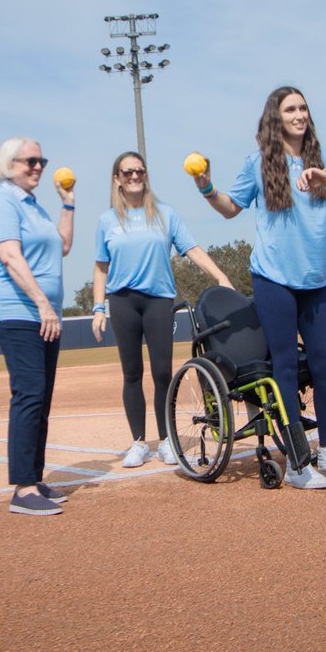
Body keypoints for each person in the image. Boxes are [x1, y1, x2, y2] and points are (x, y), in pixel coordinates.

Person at [192, 86, 326, 489]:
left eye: (304, 107)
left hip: (316, 282)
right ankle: (297, 464)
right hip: (273, 280)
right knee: (285, 367)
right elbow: (229, 208)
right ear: (276, 117)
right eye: (291, 109)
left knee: (325, 366)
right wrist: (205, 186)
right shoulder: (257, 163)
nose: (299, 114)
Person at [91, 152, 233, 468]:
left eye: (139, 171)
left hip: (158, 301)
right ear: (116, 178)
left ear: (145, 175)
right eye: (127, 172)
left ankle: (167, 440)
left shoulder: (166, 214)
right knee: (131, 373)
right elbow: (101, 267)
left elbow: (192, 249)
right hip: (123, 302)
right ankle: (139, 443)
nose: (133, 176)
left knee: (162, 373)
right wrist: (98, 307)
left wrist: (221, 275)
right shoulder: (107, 220)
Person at [0, 137, 74, 516]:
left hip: (44, 313)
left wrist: (68, 203)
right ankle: (22, 489)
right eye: (30, 161)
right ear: (10, 164)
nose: (38, 167)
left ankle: (34, 479)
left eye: (42, 160)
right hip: (16, 310)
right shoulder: (3, 201)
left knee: (42, 398)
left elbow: (63, 245)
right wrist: (40, 302)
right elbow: (9, 256)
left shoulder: (33, 205)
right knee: (29, 394)